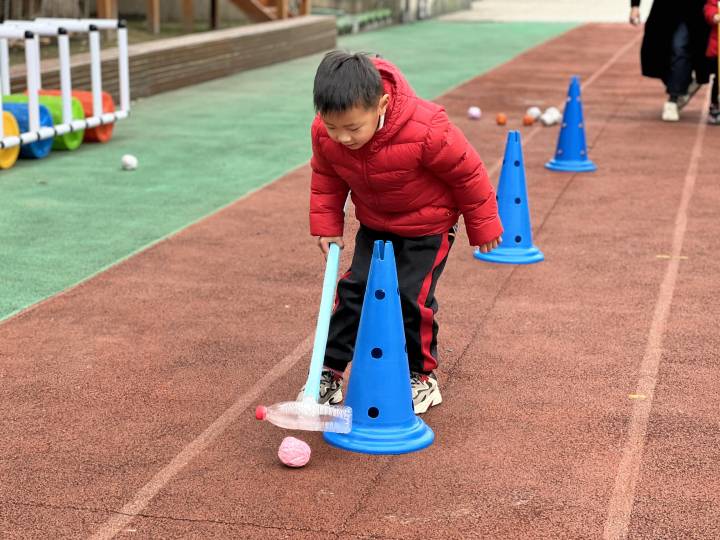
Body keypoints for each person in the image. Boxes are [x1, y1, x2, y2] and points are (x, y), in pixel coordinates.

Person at [300, 51, 502, 414]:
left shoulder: (425, 127)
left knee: (409, 297)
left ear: (382, 104)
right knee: (352, 292)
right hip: (375, 224)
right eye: (333, 127)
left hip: (427, 227)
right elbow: (327, 178)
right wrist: (328, 226)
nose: (343, 138)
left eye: (353, 129)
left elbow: (467, 172)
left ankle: (422, 377)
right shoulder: (325, 134)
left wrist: (483, 223)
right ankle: (327, 373)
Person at [630, 0, 711, 121]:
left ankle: (673, 98)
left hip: (693, 9)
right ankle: (684, 84)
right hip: (664, 8)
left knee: (680, 47)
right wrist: (635, 6)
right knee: (654, 51)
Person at [704, 0, 720, 124]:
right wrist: (714, 16)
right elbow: (709, 8)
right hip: (717, 48)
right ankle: (715, 105)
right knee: (718, 79)